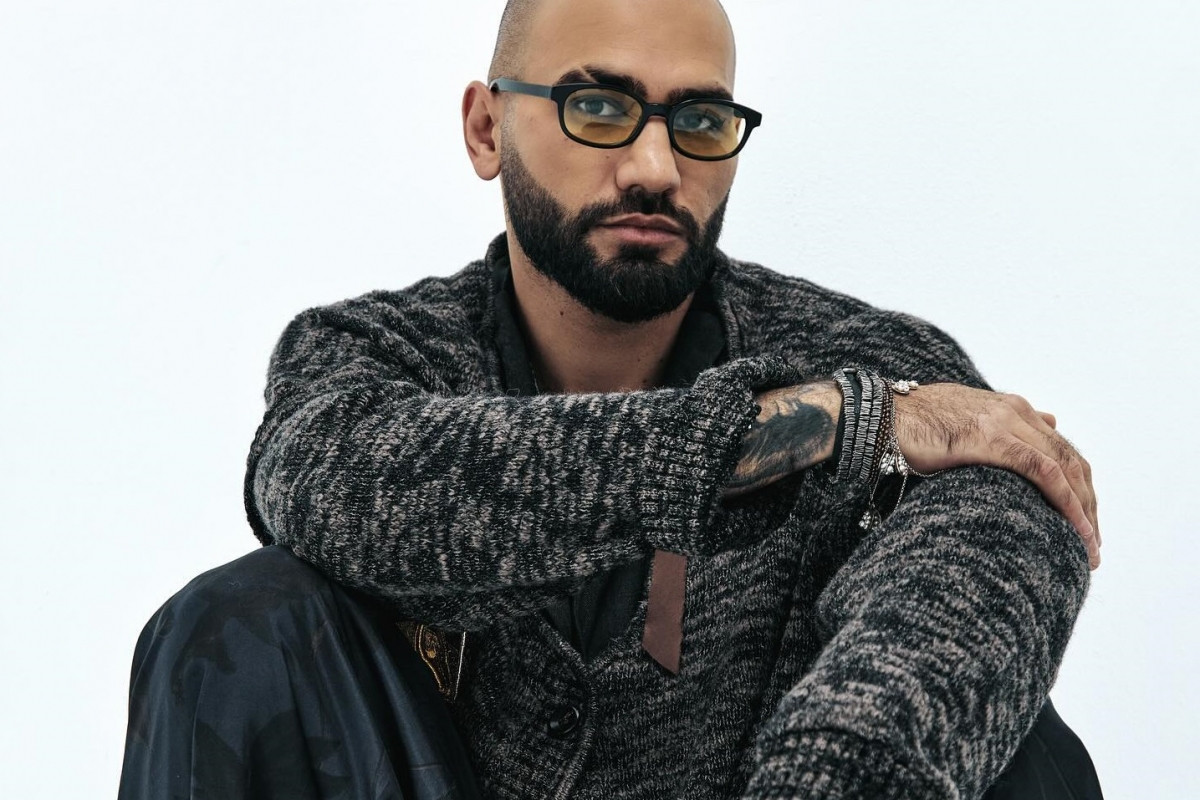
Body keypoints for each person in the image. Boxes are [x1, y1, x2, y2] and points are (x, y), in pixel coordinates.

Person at [118, 0, 1105, 798]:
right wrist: (823, 426)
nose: (655, 168)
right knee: (234, 624)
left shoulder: (881, 364)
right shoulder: (377, 354)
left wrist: (836, 768)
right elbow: (340, 484)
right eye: (598, 108)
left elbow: (998, 545)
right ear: (486, 127)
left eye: (701, 122)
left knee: (1021, 752)